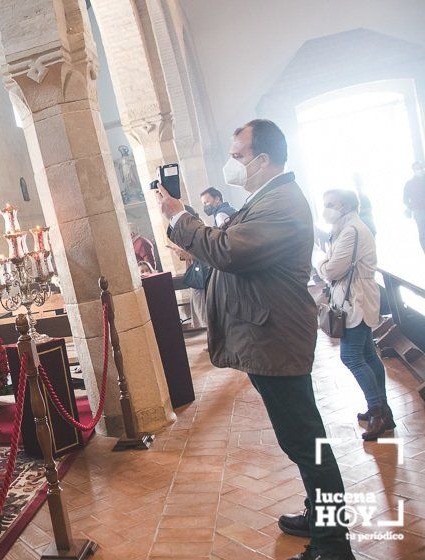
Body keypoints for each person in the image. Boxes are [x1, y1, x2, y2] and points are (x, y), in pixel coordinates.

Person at [157, 119, 353, 560]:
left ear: (263, 159)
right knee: (302, 438)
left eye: (239, 155)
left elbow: (229, 250)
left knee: (307, 441)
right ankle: (319, 514)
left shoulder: (281, 202)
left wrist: (179, 219)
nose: (233, 163)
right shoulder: (267, 197)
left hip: (276, 339)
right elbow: (227, 242)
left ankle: (333, 543)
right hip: (270, 336)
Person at [317, 189, 393, 440]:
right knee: (368, 355)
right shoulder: (346, 228)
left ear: (346, 206)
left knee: (351, 356)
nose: (326, 208)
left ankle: (377, 411)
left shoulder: (350, 231)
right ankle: (383, 410)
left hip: (356, 300)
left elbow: (332, 269)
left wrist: (320, 265)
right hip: (357, 297)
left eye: (331, 204)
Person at [404, 160, 425, 251]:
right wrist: (411, 207)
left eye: (421, 168)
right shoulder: (409, 184)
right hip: (418, 212)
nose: (419, 170)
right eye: (417, 168)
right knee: (423, 233)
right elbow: (405, 199)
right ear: (414, 170)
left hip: (419, 211)